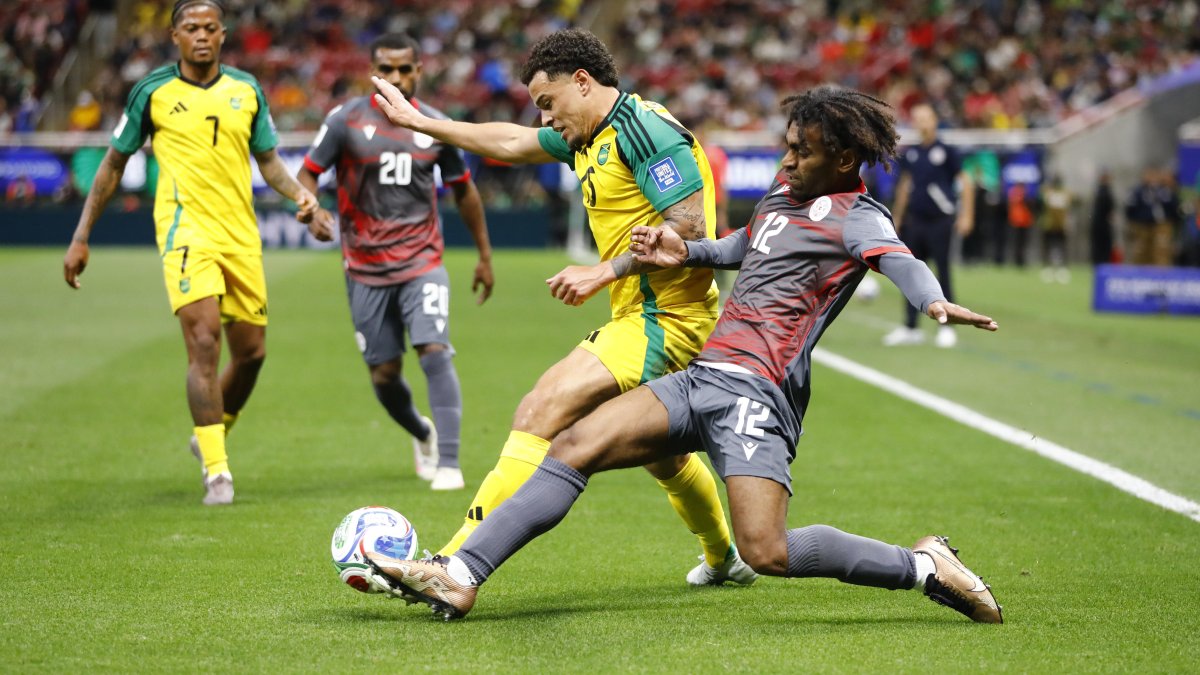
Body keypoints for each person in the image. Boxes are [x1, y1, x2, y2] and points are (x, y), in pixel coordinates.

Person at [362, 87, 1003, 623]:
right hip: (702, 377)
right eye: (787, 145)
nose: (786, 160)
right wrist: (686, 252)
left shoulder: (858, 215)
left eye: (802, 151)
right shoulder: (782, 198)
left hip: (758, 396)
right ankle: (461, 572)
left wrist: (933, 301)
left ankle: (923, 565)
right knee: (573, 444)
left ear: (843, 159)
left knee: (768, 550)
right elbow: (743, 246)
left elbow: (900, 260)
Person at [370, 28, 752, 585]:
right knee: (662, 455)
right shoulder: (586, 137)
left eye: (548, 102)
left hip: (668, 320)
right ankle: (724, 559)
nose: (545, 118)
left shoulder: (644, 130)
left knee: (540, 407)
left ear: (582, 81)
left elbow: (690, 229)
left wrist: (606, 270)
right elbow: (509, 142)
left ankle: (450, 561)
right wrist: (421, 122)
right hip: (643, 316)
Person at [62, 0, 318, 506]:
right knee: (203, 343)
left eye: (210, 28)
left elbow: (268, 161)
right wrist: (81, 234)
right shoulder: (152, 91)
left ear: (223, 35)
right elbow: (113, 164)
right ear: (175, 36)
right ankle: (218, 473)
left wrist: (301, 195)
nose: (201, 35)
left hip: (240, 236)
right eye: (191, 28)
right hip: (185, 233)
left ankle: (210, 436)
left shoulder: (247, 89)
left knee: (252, 355)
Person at [296, 33, 494, 491]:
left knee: (434, 350)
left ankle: (449, 463)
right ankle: (422, 432)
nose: (397, 77)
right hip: (364, 267)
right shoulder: (345, 120)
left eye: (405, 69)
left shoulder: (437, 124)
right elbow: (308, 173)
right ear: (373, 72)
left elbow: (464, 191)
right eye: (386, 69)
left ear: (419, 71)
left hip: (422, 260)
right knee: (384, 376)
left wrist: (484, 255)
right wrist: (311, 209)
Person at [883, 103, 974, 349]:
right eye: (917, 118)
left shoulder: (946, 151)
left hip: (940, 221)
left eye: (925, 118)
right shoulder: (911, 154)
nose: (921, 122)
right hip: (915, 221)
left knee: (942, 273)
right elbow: (905, 185)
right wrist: (897, 217)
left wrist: (966, 215)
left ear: (934, 120)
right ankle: (910, 327)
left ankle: (947, 327)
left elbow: (965, 182)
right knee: (912, 274)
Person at [1039, 175, 1072, 283]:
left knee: (1062, 247)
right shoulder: (1049, 192)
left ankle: (1062, 268)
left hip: (1061, 226)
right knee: (1048, 247)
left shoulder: (1064, 194)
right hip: (1050, 225)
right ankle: (1047, 267)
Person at [1089, 171, 1116, 266]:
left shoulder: (1099, 190)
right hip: (1102, 224)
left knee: (1099, 247)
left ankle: (1100, 264)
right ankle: (1102, 265)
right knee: (1102, 247)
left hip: (1099, 223)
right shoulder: (1104, 191)